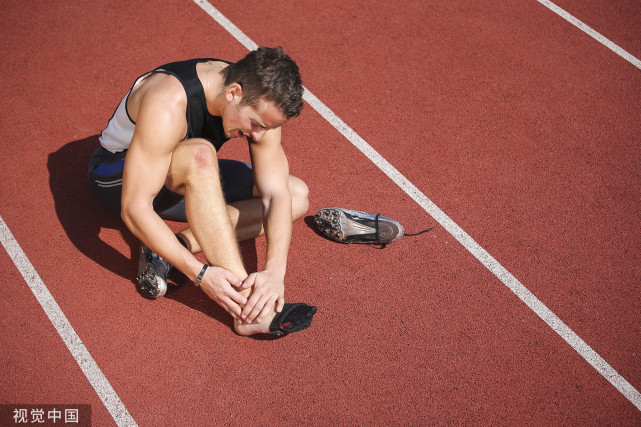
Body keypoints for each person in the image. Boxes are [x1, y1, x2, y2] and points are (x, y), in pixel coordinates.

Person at [88, 47, 316, 337]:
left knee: (296, 194)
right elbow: (134, 207)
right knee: (201, 153)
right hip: (116, 179)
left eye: (266, 129)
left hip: (181, 174)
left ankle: (172, 247)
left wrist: (275, 272)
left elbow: (275, 193)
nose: (258, 136)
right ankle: (246, 309)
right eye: (255, 125)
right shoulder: (168, 100)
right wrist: (199, 274)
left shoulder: (261, 99)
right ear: (233, 93)